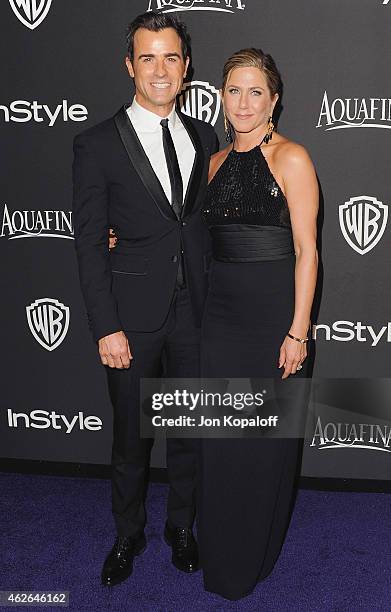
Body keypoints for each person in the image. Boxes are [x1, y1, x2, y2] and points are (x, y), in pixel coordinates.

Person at [72, 12, 218, 587]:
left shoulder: (206, 137)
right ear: (130, 66)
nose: (161, 69)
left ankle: (181, 527)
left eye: (172, 57)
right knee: (132, 440)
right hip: (131, 319)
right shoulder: (96, 144)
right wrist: (105, 325)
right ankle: (127, 533)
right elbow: (88, 244)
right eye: (148, 58)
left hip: (196, 314)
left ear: (186, 68)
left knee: (190, 433)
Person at [197, 48, 319, 600]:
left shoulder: (292, 157)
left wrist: (298, 330)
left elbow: (307, 250)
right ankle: (223, 552)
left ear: (274, 100)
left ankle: (256, 553)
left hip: (272, 318)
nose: (242, 103)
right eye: (232, 91)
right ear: (221, 97)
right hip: (219, 318)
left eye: (254, 92)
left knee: (263, 442)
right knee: (223, 440)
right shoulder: (215, 163)